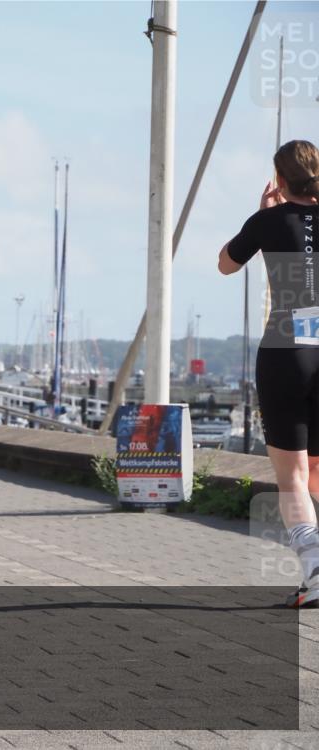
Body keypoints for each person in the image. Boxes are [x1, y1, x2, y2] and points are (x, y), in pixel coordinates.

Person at [217, 139, 319, 608]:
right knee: (315, 472)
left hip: (286, 351)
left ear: (279, 179)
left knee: (293, 477)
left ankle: (316, 572)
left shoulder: (267, 220)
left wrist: (264, 216)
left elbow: (225, 264)